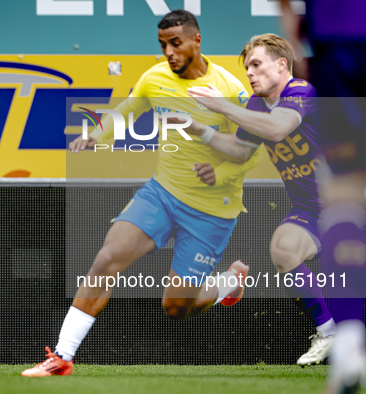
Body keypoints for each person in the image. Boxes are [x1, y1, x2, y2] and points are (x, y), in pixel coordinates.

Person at [21, 10, 261, 377]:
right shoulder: (154, 78)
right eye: (163, 44)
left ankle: (228, 282)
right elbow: (126, 112)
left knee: (176, 307)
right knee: (107, 258)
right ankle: (62, 357)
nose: (168, 51)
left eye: (176, 43)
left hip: (212, 210)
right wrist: (95, 135)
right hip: (163, 193)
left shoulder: (229, 89)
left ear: (197, 41)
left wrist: (222, 171)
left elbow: (251, 151)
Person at [181, 33, 335, 366]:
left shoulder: (301, 91)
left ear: (282, 65)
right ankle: (329, 333)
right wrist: (196, 128)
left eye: (256, 64)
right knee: (283, 248)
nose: (249, 73)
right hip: (311, 210)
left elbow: (277, 129)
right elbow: (239, 150)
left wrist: (220, 104)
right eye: (246, 66)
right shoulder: (255, 104)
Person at [280, 1, 366, 392]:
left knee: (345, 195)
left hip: (340, 43)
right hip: (338, 41)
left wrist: (296, 43)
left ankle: (348, 345)